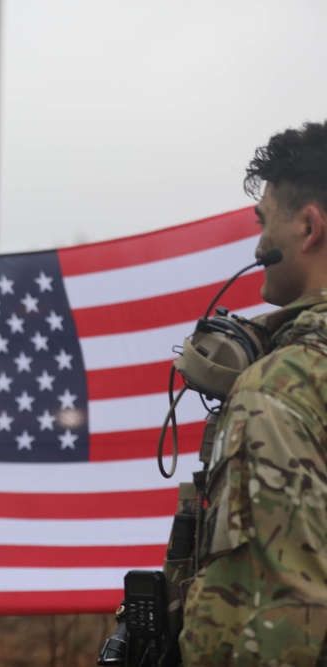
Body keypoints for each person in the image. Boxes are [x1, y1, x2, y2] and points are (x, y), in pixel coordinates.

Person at [179, 121, 327, 665]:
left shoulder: (280, 388)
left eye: (265, 222)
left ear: (308, 227)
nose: (259, 243)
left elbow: (280, 623)